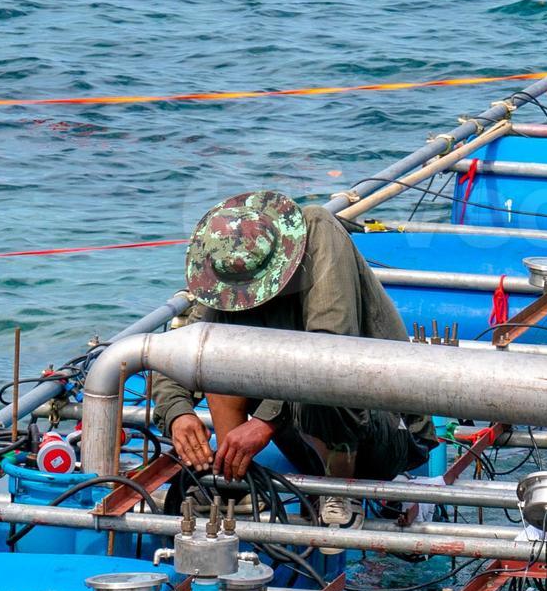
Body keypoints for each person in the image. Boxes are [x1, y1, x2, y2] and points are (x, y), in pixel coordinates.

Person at [153, 190, 434, 484]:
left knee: (322, 386)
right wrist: (178, 414)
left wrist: (265, 423)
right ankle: (234, 480)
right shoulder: (228, 278)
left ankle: (339, 496)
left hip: (383, 431)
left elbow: (328, 351)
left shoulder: (319, 233)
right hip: (300, 435)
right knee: (216, 350)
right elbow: (183, 352)